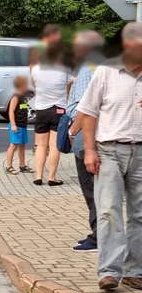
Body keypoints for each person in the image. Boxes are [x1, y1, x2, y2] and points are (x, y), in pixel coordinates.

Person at [79, 22, 142, 291]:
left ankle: (135, 270)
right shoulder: (106, 72)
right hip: (108, 151)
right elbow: (89, 112)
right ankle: (109, 272)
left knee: (140, 215)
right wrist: (89, 150)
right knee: (108, 211)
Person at [65, 30, 106, 251]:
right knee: (96, 190)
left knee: (91, 189)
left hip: (86, 136)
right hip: (99, 135)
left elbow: (84, 107)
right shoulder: (104, 64)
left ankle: (98, 238)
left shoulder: (88, 67)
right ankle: (97, 233)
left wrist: (72, 131)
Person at [30, 44, 73, 186]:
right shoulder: (65, 71)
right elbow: (71, 84)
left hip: (41, 110)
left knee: (41, 146)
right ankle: (52, 178)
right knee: (54, 146)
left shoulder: (36, 70)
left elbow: (35, 85)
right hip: (59, 110)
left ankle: (38, 176)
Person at [5, 76, 31, 174]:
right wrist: (13, 125)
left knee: (22, 145)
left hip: (23, 125)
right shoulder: (15, 97)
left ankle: (22, 165)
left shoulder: (23, 97)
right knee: (13, 145)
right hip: (17, 125)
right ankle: (9, 166)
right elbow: (11, 111)